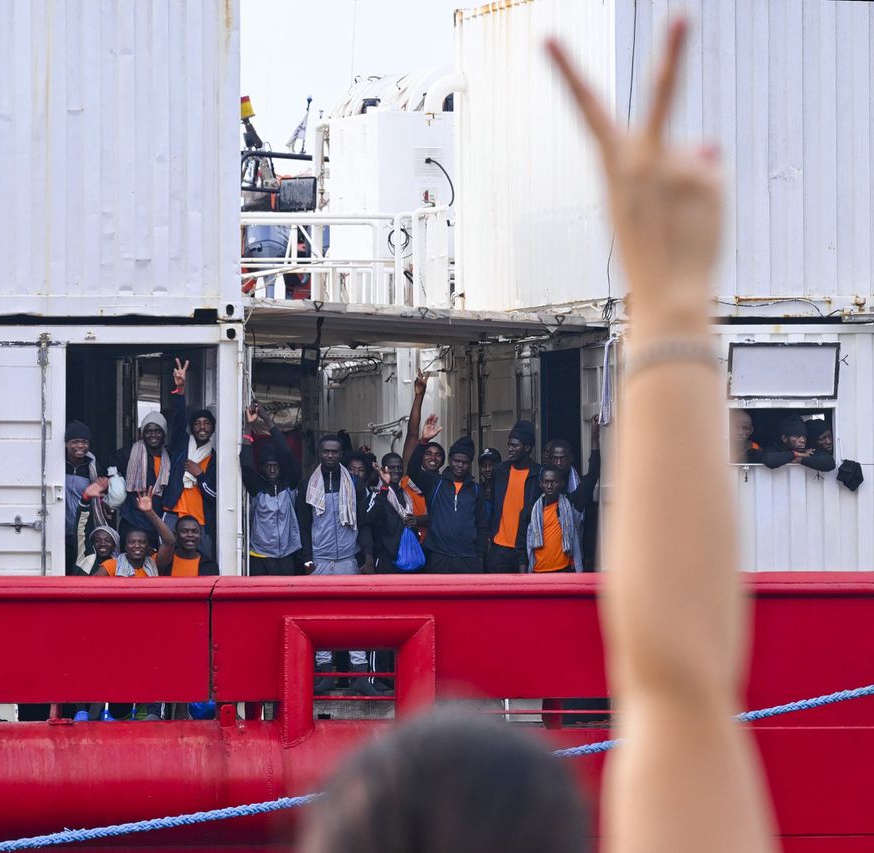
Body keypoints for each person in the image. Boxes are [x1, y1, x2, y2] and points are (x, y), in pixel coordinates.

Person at [303, 19, 778, 853]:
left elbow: (681, 694)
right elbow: (683, 688)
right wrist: (668, 297)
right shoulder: (450, 486)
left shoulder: (497, 487)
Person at [297, 434, 377, 694]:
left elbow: (364, 523)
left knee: (355, 617)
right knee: (319, 617)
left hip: (346, 559)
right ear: (319, 454)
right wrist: (307, 559)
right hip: (319, 560)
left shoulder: (354, 483)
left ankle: (360, 674)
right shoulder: (308, 484)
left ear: (341, 454)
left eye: (335, 452)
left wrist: (365, 558)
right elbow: (303, 525)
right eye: (326, 452)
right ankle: (325, 673)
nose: (330, 456)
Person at [117, 359, 192, 548]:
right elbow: (104, 470)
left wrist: (180, 392)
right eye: (148, 431)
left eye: (157, 431)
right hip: (132, 521)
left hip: (159, 521)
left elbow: (180, 424)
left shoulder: (171, 455)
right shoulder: (129, 453)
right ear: (142, 433)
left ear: (164, 434)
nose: (152, 435)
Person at [406, 417, 488, 573]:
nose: (460, 465)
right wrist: (423, 441)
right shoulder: (434, 483)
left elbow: (481, 526)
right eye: (456, 461)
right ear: (450, 460)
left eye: (464, 462)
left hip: (468, 558)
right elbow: (412, 470)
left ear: (470, 464)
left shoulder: (476, 490)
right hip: (439, 556)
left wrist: (480, 557)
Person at [161, 360, 217, 556]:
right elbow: (178, 419)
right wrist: (180, 389)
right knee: (168, 562)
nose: (202, 427)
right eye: (197, 424)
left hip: (200, 521)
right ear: (192, 428)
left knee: (203, 565)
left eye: (207, 424)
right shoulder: (181, 446)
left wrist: (200, 476)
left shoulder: (215, 458)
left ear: (212, 429)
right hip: (173, 515)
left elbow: (216, 496)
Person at [240, 403, 303, 576]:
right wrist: (249, 426)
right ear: (262, 468)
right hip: (259, 555)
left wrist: (267, 419)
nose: (273, 470)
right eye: (268, 466)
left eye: (276, 466)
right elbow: (245, 463)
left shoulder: (289, 483)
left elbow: (286, 454)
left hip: (287, 554)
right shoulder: (257, 487)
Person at [486, 420, 540, 573]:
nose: (509, 449)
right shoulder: (500, 470)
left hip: (526, 548)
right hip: (499, 548)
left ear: (527, 448)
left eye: (515, 446)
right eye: (509, 444)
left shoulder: (538, 474)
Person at [64, 420, 110, 573]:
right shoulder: (57, 464)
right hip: (59, 528)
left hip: (83, 529)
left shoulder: (93, 467)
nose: (80, 446)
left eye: (84, 442)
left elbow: (102, 494)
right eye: (75, 441)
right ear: (66, 444)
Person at [399, 373, 442, 534]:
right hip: (408, 545)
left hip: (432, 544)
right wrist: (419, 396)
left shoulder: (443, 484)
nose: (432, 457)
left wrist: (419, 520)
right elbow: (412, 434)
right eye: (428, 453)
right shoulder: (407, 476)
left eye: (438, 455)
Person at [93, 495, 174, 577]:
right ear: (125, 546)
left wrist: (150, 513)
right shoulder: (112, 565)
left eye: (142, 542)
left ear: (147, 546)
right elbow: (93, 585)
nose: (137, 546)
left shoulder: (155, 562)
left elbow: (169, 542)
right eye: (131, 542)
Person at [522, 467, 583, 573]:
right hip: (538, 572)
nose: (549, 486)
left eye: (553, 482)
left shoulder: (568, 505)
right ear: (541, 484)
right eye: (546, 482)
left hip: (563, 570)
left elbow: (590, 480)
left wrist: (594, 450)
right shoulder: (531, 511)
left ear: (561, 483)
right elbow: (521, 544)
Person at [367, 453, 418, 573]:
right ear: (383, 469)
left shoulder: (404, 494)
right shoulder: (378, 493)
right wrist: (384, 488)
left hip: (407, 557)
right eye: (391, 467)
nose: (396, 471)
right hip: (386, 561)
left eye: (399, 467)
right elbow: (370, 518)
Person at [546, 420, 602, 515]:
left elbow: (593, 473)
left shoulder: (576, 496)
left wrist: (594, 437)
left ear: (571, 459)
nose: (558, 463)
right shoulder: (539, 494)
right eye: (555, 458)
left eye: (562, 458)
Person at [762, 414, 835, 472]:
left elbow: (830, 463)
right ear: (784, 438)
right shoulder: (775, 449)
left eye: (804, 436)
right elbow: (769, 460)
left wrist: (801, 459)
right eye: (797, 436)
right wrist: (795, 454)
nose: (802, 440)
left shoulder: (808, 451)